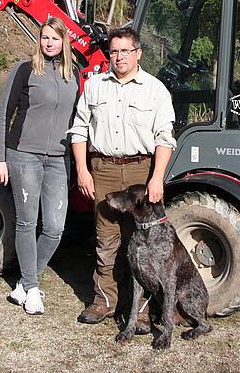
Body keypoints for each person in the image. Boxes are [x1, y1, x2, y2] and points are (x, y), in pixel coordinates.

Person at [68, 26, 176, 325]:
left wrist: (156, 179)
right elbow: (78, 131)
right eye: (114, 51)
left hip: (140, 172)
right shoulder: (94, 86)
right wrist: (82, 170)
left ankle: (141, 310)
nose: (119, 57)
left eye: (125, 51)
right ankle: (104, 301)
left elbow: (164, 137)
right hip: (102, 168)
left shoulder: (155, 89)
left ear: (138, 53)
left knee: (142, 242)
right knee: (106, 239)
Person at [0, 16, 79, 315]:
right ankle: (31, 289)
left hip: (57, 158)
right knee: (27, 223)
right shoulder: (25, 68)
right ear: (39, 40)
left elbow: (76, 120)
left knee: (55, 227)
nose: (49, 43)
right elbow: (4, 113)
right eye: (44, 38)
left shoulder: (74, 74)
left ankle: (24, 283)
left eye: (55, 38)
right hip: (23, 155)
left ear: (64, 41)